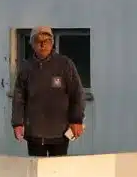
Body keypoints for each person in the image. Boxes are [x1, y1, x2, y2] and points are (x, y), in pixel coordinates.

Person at [12, 26, 85, 157]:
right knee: (36, 171)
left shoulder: (65, 65)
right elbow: (19, 98)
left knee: (58, 171)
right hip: (34, 132)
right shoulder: (26, 68)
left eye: (47, 40)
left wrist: (76, 120)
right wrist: (17, 123)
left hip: (60, 132)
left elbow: (77, 94)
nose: (42, 44)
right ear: (32, 44)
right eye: (38, 40)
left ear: (52, 43)